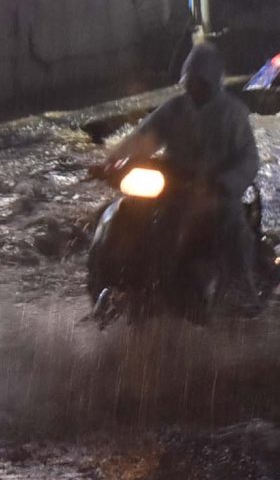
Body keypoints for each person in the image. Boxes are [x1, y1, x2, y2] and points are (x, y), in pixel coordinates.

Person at [105, 42, 261, 306]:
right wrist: (111, 162)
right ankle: (138, 284)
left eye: (199, 82)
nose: (193, 87)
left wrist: (225, 184)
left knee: (233, 231)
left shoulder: (232, 114)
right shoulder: (174, 109)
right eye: (190, 81)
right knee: (140, 219)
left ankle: (244, 294)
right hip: (174, 191)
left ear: (211, 82)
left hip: (216, 194)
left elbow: (249, 158)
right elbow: (144, 137)